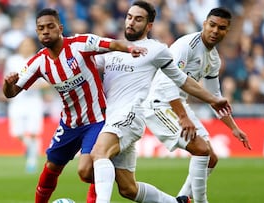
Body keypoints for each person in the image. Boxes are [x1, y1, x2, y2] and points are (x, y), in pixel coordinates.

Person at [89, 1, 231, 203]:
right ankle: (178, 202)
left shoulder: (157, 50)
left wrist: (210, 101)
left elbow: (181, 81)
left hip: (131, 115)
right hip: (112, 119)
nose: (131, 22)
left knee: (99, 153)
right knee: (125, 188)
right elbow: (89, 68)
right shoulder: (114, 50)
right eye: (129, 17)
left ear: (149, 25)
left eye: (138, 19)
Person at [2, 8, 147, 203]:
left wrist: (129, 49)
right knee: (51, 167)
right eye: (40, 28)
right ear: (37, 32)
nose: (45, 31)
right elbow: (11, 93)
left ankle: (103, 184)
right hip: (69, 123)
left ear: (60, 28)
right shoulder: (39, 62)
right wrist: (7, 84)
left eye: (50, 27)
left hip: (97, 119)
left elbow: (111, 43)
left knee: (86, 171)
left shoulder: (81, 44)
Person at [143, 7, 252, 202]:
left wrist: (234, 128)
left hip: (178, 106)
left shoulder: (214, 59)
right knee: (201, 149)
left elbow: (214, 96)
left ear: (227, 31)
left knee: (211, 158)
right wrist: (183, 118)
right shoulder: (187, 45)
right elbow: (169, 84)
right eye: (212, 25)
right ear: (204, 24)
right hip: (159, 105)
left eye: (221, 28)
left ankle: (182, 198)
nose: (215, 31)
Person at [4, 37, 47, 173]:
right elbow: (6, 79)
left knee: (33, 132)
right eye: (24, 45)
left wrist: (35, 86)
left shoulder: (39, 59)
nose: (26, 47)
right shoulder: (12, 61)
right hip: (17, 101)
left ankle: (32, 161)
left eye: (29, 45)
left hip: (33, 101)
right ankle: (31, 148)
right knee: (17, 133)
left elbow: (49, 81)